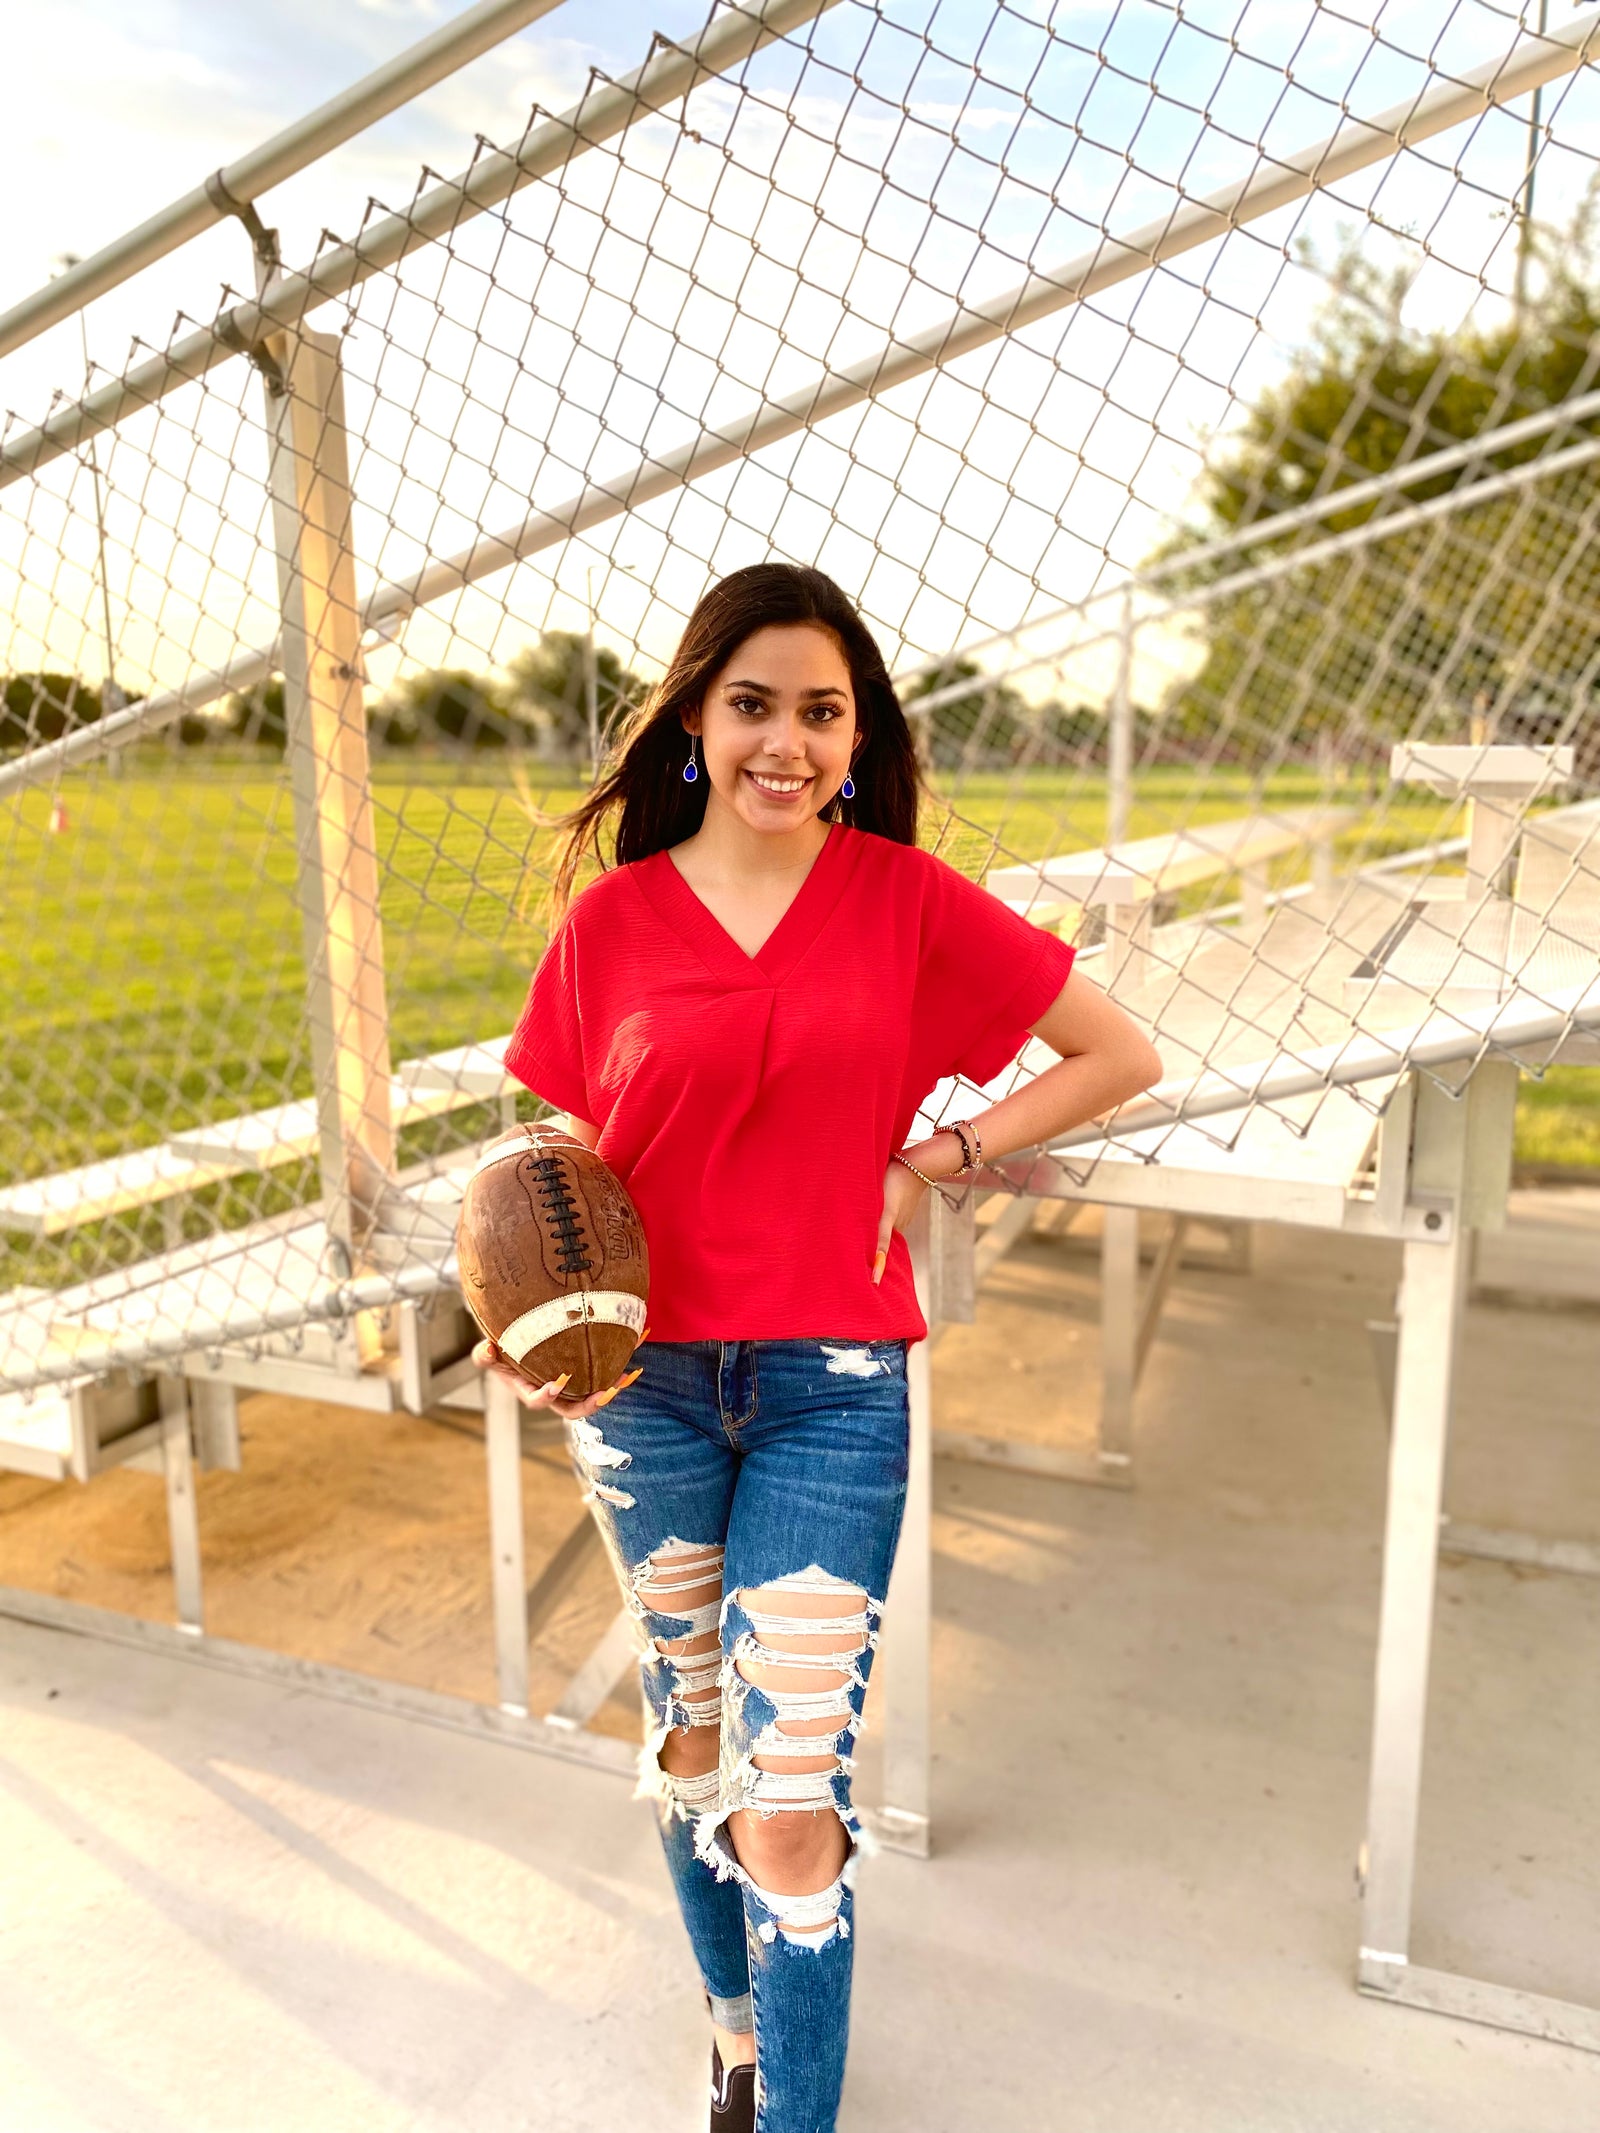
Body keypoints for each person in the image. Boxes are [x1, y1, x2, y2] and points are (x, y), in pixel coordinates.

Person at [475, 562, 1161, 2132]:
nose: (786, 740)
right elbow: (563, 1165)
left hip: (832, 1392)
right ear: (699, 720)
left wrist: (935, 1160)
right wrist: (523, 1320)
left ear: (858, 736)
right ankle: (733, 2036)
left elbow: (1117, 1051)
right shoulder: (613, 924)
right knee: (693, 1733)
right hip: (642, 1398)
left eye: (821, 710)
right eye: (754, 703)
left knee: (791, 1809)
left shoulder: (907, 900)